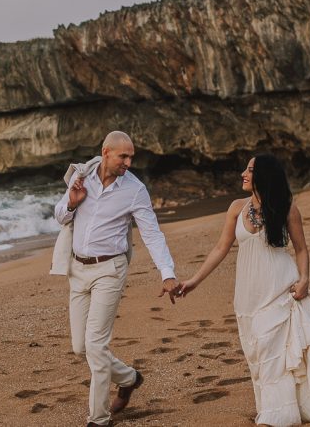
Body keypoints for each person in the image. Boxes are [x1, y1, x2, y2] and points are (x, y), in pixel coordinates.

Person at [177, 154, 310, 426]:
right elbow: (220, 249)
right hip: (248, 295)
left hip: (279, 288)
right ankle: (270, 408)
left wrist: (305, 278)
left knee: (272, 350)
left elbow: (300, 248)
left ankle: (278, 416)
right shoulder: (237, 208)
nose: (243, 174)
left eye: (250, 170)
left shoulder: (286, 208)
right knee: (256, 354)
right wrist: (194, 281)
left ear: (263, 176)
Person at [53, 131, 182, 427]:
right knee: (80, 347)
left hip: (109, 270)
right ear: (106, 152)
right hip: (77, 270)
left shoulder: (135, 190)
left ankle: (98, 419)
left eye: (131, 157)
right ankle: (129, 378)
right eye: (123, 156)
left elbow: (151, 234)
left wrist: (168, 273)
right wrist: (72, 202)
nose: (128, 162)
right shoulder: (82, 175)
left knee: (96, 347)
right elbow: (60, 216)